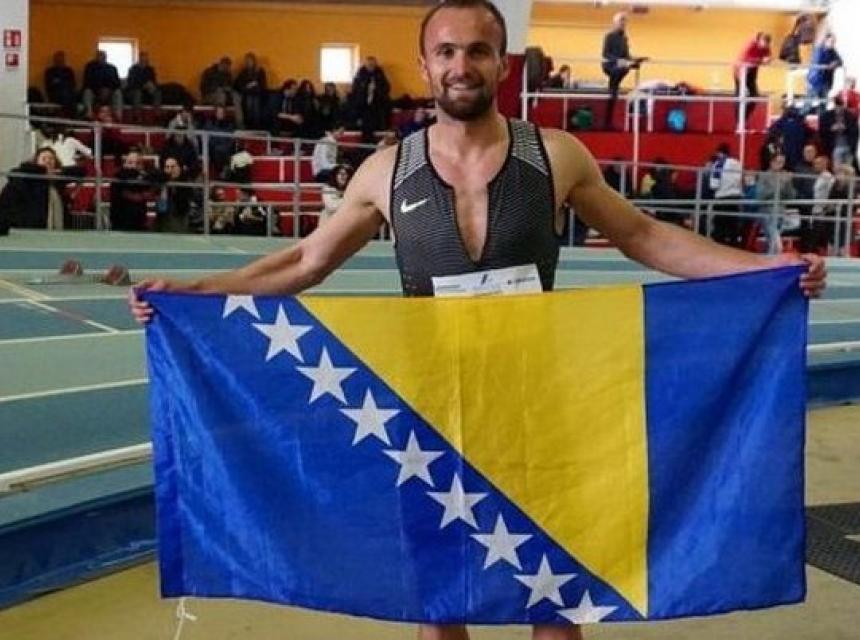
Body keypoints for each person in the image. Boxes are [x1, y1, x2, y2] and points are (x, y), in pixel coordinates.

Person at [130, 2, 827, 638]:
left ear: (502, 63)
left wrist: (763, 269)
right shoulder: (385, 171)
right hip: (427, 411)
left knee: (555, 596)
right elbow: (306, 261)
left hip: (537, 411)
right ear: (425, 63)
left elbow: (643, 236)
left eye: (477, 51)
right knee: (442, 600)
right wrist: (195, 291)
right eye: (446, 51)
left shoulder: (555, 155)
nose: (460, 65)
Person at [0, 147, 85, 230]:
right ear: (36, 161)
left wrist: (58, 172)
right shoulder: (29, 179)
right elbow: (16, 172)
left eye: (51, 158)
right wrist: (43, 171)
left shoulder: (57, 181)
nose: (48, 161)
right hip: (31, 227)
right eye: (44, 158)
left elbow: (80, 172)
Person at [601, 12, 641, 131]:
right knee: (614, 87)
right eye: (621, 21)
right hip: (610, 65)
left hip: (621, 67)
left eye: (625, 22)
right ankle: (608, 119)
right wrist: (619, 61)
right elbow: (605, 54)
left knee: (615, 88)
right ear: (615, 23)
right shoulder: (609, 36)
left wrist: (635, 59)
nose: (623, 24)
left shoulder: (624, 38)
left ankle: (609, 117)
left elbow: (627, 55)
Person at [756, 152, 797, 254]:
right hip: (767, 213)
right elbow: (760, 195)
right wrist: (780, 184)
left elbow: (791, 196)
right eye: (778, 162)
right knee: (777, 245)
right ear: (771, 162)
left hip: (780, 213)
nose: (780, 165)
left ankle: (768, 261)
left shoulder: (784, 176)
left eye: (782, 162)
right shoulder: (764, 176)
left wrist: (788, 183)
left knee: (772, 243)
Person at [708, 143, 745, 247]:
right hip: (736, 199)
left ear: (718, 152)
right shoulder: (737, 163)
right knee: (733, 228)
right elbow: (742, 180)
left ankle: (718, 251)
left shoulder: (719, 164)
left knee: (719, 229)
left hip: (722, 199)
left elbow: (714, 185)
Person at [111, 149, 157, 231]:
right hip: (120, 226)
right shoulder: (118, 177)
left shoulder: (144, 179)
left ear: (142, 166)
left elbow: (158, 177)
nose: (134, 166)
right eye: (130, 162)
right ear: (124, 164)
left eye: (138, 163)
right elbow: (127, 175)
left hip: (139, 225)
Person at [733, 32, 771, 126]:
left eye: (767, 44)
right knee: (740, 96)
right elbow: (744, 59)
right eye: (763, 43)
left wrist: (768, 59)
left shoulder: (766, 47)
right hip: (740, 71)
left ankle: (743, 119)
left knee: (755, 96)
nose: (764, 46)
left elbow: (769, 57)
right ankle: (739, 122)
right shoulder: (750, 45)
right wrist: (761, 60)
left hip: (752, 72)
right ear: (758, 41)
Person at [201, 56, 243, 127]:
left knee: (236, 96)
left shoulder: (227, 74)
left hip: (224, 96)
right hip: (209, 96)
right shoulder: (209, 72)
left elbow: (230, 86)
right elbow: (203, 88)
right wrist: (217, 88)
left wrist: (228, 89)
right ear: (221, 64)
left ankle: (240, 123)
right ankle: (220, 121)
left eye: (228, 68)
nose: (227, 69)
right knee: (221, 94)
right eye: (225, 67)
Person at [82, 50, 123, 120]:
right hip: (95, 92)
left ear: (106, 58)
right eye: (99, 56)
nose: (101, 58)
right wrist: (99, 90)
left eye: (103, 57)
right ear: (96, 58)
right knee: (87, 92)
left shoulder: (112, 68)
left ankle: (118, 115)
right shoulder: (90, 67)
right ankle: (88, 113)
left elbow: (117, 83)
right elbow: (87, 82)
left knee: (118, 93)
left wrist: (108, 89)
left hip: (109, 92)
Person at [819, 96, 859, 170]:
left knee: (848, 169)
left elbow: (855, 131)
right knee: (837, 169)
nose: (839, 109)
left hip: (848, 146)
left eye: (841, 106)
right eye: (837, 106)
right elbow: (822, 131)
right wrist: (831, 128)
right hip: (835, 146)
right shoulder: (826, 116)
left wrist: (846, 128)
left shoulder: (850, 115)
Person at [806, 32, 842, 104]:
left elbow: (840, 61)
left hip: (826, 81)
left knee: (823, 104)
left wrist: (835, 63)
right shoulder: (818, 50)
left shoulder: (833, 51)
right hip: (815, 80)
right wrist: (828, 66)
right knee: (808, 104)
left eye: (834, 42)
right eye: (831, 41)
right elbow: (817, 63)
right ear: (825, 40)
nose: (832, 44)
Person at [234, 53, 267, 130]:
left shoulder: (260, 71)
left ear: (254, 61)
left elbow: (263, 85)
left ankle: (256, 126)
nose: (248, 63)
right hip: (246, 94)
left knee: (255, 103)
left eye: (250, 61)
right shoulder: (243, 72)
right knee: (248, 102)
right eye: (246, 61)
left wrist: (254, 86)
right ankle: (249, 126)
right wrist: (247, 87)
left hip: (258, 94)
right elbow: (238, 84)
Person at [44, 50, 77, 116]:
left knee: (67, 93)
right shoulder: (50, 71)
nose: (59, 62)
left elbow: (73, 84)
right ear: (54, 61)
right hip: (54, 94)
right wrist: (63, 83)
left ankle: (67, 114)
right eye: (58, 60)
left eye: (61, 60)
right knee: (64, 92)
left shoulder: (69, 71)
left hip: (68, 94)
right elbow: (49, 85)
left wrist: (59, 82)